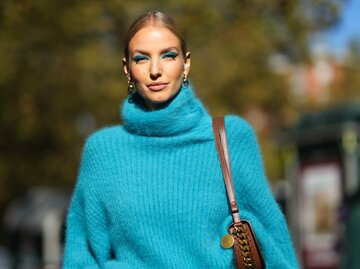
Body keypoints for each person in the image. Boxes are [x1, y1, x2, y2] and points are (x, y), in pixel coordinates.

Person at [62, 11, 299, 269]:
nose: (155, 70)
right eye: (141, 59)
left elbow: (275, 244)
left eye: (168, 55)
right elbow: (81, 256)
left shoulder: (231, 138)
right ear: (127, 69)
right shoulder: (103, 151)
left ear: (186, 64)